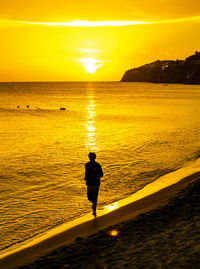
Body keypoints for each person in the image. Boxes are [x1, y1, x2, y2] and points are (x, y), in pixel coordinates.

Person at [84, 152, 103, 217]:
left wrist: (94, 175)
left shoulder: (98, 165)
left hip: (95, 183)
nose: (91, 158)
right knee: (89, 197)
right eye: (90, 157)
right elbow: (86, 173)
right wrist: (86, 177)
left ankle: (94, 210)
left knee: (94, 197)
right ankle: (94, 204)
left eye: (91, 157)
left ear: (94, 158)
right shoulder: (86, 165)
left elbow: (101, 174)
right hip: (89, 183)